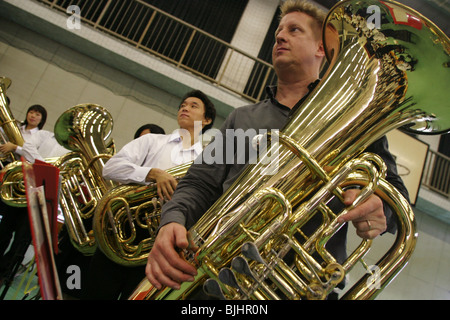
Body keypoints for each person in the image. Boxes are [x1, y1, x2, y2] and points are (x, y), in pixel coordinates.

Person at [145, 0, 409, 299]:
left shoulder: (355, 121)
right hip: (218, 281)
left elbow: (398, 195)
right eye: (278, 32)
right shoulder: (242, 118)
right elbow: (199, 183)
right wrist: (172, 220)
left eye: (294, 30)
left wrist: (381, 206)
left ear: (321, 48)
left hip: (303, 288)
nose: (280, 37)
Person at [83, 90, 216, 299]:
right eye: (183, 104)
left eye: (193, 106)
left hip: (162, 245)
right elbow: (110, 168)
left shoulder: (206, 159)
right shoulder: (152, 141)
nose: (185, 108)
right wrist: (151, 173)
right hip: (121, 232)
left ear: (207, 120)